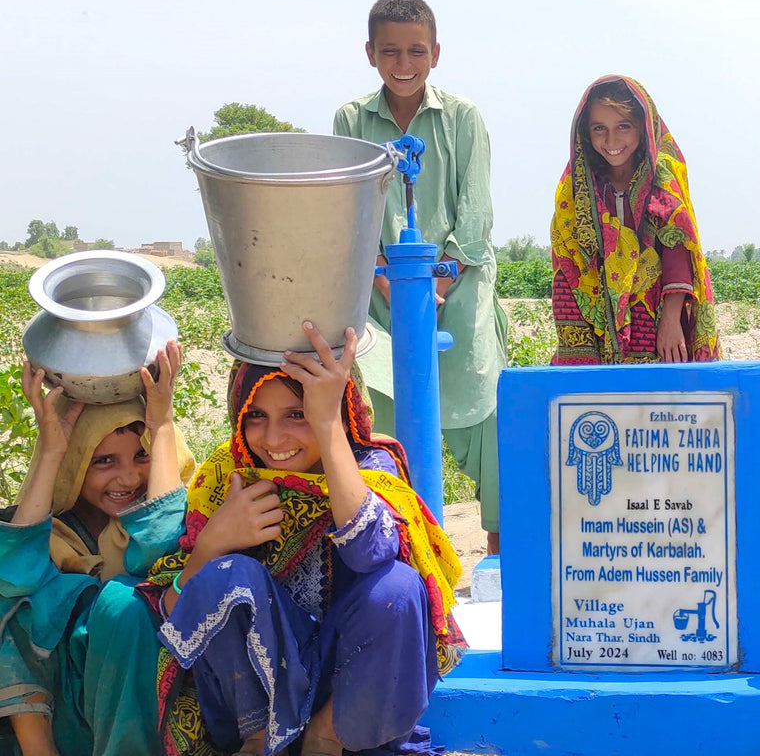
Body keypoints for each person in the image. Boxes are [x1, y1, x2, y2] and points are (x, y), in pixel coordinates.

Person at [138, 322, 465, 756]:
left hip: (346, 692)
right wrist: (212, 544)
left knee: (398, 588)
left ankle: (324, 737)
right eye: (256, 416)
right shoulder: (228, 477)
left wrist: (326, 424)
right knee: (225, 574)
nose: (274, 439)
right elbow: (177, 614)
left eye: (298, 413)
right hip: (252, 699)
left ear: (341, 407)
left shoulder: (370, 467)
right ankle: (258, 741)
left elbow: (372, 551)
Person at [333, 0, 507, 555]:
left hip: (456, 287)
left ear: (435, 53)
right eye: (389, 51)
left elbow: (475, 213)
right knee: (386, 424)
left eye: (414, 51)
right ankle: (402, 554)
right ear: (369, 53)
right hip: (380, 293)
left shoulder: (463, 119)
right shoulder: (351, 120)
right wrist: (387, 279)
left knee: (487, 419)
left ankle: (501, 548)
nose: (402, 63)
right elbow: (351, 208)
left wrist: (433, 285)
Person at [0, 342, 194, 756]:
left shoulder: (184, 509)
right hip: (69, 718)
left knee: (124, 600)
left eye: (142, 456)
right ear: (75, 464)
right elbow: (14, 572)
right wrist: (53, 447)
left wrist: (160, 425)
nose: (127, 477)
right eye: (103, 460)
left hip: (153, 708)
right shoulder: (59, 533)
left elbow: (158, 553)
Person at [550, 75, 720, 365]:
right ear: (585, 132)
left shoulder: (662, 176)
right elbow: (567, 260)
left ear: (643, 128)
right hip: (593, 319)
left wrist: (671, 320)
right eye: (599, 128)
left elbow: (678, 247)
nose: (611, 140)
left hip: (657, 318)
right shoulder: (576, 187)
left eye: (623, 127)